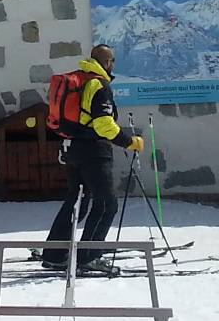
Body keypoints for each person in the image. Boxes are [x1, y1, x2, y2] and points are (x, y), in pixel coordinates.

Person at [42, 44, 145, 274]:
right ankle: (89, 256)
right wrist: (129, 141)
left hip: (73, 148)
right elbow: (103, 124)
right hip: (94, 152)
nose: (113, 65)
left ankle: (54, 255)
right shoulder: (99, 84)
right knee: (107, 204)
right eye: (112, 60)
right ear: (107, 62)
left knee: (76, 201)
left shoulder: (80, 79)